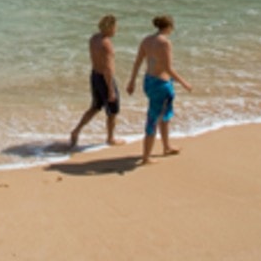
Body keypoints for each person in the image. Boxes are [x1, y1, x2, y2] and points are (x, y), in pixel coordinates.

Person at [126, 14, 193, 164]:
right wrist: (184, 83)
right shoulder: (165, 43)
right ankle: (146, 157)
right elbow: (168, 68)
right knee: (153, 118)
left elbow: (137, 62)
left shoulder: (146, 40)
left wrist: (132, 82)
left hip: (148, 82)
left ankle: (166, 146)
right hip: (161, 85)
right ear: (169, 27)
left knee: (164, 116)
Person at [70, 14, 125, 148]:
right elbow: (108, 68)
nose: (116, 30)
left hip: (94, 75)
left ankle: (76, 130)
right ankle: (111, 138)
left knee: (95, 107)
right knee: (113, 110)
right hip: (105, 78)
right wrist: (111, 89)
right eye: (115, 27)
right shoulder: (107, 44)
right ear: (110, 27)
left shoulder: (94, 38)